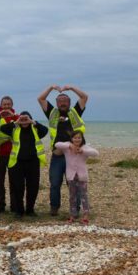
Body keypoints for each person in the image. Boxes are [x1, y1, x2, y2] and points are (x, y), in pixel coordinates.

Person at [37, 84, 89, 216]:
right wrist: (50, 88)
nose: (63, 103)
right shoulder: (52, 113)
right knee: (55, 182)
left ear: (69, 103)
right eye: (60, 101)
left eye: (65, 101)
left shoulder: (75, 111)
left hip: (73, 155)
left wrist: (71, 88)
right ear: (57, 103)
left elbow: (84, 97)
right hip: (58, 155)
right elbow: (41, 99)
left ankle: (75, 209)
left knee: (73, 183)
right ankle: (54, 207)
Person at [0, 111, 48, 218]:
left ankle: (30, 210)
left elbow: (45, 130)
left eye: (27, 119)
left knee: (33, 187)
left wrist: (32, 122)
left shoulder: (36, 129)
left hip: (33, 163)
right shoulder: (14, 129)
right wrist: (16, 122)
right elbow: (3, 129)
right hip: (17, 163)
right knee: (18, 188)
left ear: (30, 120)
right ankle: (19, 211)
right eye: (22, 119)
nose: (24, 122)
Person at [53, 131, 99, 224]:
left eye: (79, 138)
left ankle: (86, 215)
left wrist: (83, 151)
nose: (77, 139)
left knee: (83, 195)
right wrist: (70, 146)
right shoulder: (67, 146)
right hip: (71, 176)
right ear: (71, 139)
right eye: (75, 138)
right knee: (72, 196)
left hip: (82, 176)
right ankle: (72, 215)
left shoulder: (84, 147)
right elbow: (57, 144)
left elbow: (96, 153)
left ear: (82, 139)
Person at [0, 96, 18, 213]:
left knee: (14, 181)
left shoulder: (16, 117)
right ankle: (0, 204)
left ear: (12, 105)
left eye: (8, 104)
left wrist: (13, 117)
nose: (6, 106)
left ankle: (14, 205)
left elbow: (26, 120)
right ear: (1, 105)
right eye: (4, 104)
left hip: (13, 154)